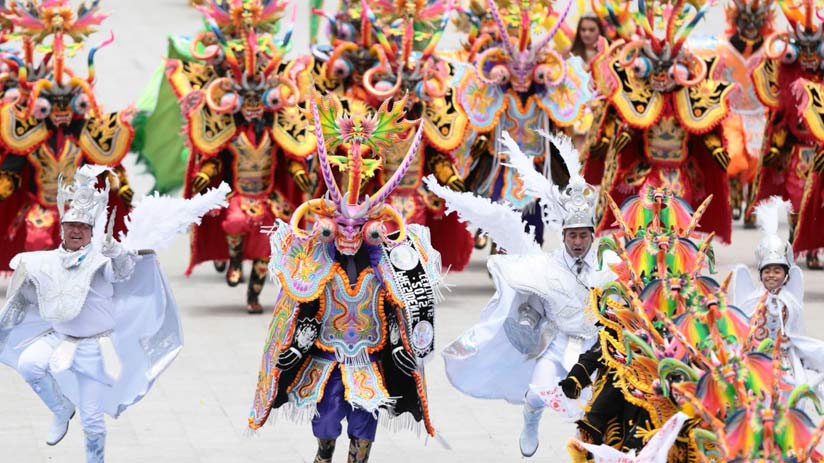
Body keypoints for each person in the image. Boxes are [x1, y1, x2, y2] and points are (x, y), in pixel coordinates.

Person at [247, 95, 444, 463]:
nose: (349, 234)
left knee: (363, 430)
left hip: (368, 358)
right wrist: (296, 345)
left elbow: (396, 308)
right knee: (326, 428)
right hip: (327, 357)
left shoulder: (383, 266)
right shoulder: (319, 264)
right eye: (342, 225)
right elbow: (302, 309)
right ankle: (324, 454)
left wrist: (402, 345)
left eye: (358, 227)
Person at [0, 165, 226, 462]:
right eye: (71, 226)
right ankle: (60, 409)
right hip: (57, 336)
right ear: (63, 229)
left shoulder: (101, 261)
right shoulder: (47, 260)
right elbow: (30, 295)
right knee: (30, 364)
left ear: (91, 231)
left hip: (92, 345)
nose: (77, 231)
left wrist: (117, 253)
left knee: (92, 420)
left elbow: (121, 273)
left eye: (83, 227)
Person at [437, 131, 618, 458]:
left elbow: (625, 301)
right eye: (572, 235)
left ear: (592, 235)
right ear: (563, 236)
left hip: (596, 346)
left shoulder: (610, 264)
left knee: (596, 410)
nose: (577, 241)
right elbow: (532, 304)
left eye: (583, 235)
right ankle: (531, 421)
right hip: (560, 341)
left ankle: (591, 448)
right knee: (536, 394)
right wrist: (525, 319)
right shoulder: (545, 265)